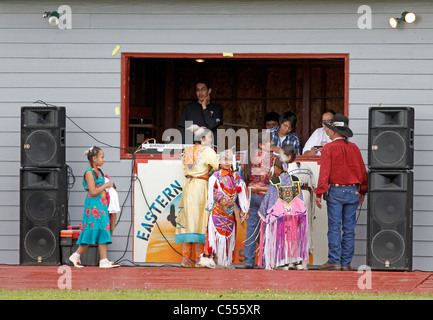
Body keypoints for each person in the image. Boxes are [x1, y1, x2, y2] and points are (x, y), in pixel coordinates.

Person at [314, 114, 368, 271]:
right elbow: (363, 173)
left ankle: (334, 261)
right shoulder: (354, 148)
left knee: (335, 227)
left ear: (334, 131)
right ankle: (345, 263)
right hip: (353, 191)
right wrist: (362, 191)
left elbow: (324, 173)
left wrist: (319, 193)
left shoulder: (329, 148)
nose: (329, 132)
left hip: (336, 191)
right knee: (349, 229)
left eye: (330, 130)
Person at [257, 146, 309, 270]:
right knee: (294, 237)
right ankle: (298, 262)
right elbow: (300, 199)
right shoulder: (295, 180)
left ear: (276, 168)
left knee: (282, 238)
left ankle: (284, 263)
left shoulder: (275, 182)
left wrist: (263, 211)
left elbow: (270, 200)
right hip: (294, 215)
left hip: (280, 217)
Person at [175, 126, 219, 267]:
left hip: (188, 186)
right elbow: (217, 166)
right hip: (200, 186)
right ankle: (200, 258)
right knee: (201, 220)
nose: (211, 140)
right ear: (202, 139)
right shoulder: (208, 151)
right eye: (209, 137)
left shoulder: (187, 151)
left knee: (188, 221)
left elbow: (184, 168)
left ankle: (186, 259)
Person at [69, 146, 120, 268]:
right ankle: (75, 255)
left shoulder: (99, 172)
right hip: (94, 206)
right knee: (92, 230)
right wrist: (106, 185)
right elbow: (93, 191)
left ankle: (103, 260)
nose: (104, 160)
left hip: (101, 205)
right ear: (94, 158)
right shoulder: (89, 172)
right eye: (102, 157)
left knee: (103, 229)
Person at [199, 149, 249, 268]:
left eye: (230, 160)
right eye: (224, 160)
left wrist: (243, 208)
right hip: (218, 211)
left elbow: (242, 192)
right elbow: (212, 193)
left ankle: (222, 260)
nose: (227, 163)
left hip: (229, 213)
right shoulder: (215, 177)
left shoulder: (236, 177)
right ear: (219, 162)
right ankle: (208, 257)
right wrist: (225, 200)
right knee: (212, 236)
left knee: (227, 236)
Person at [241, 131, 274, 269]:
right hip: (265, 195)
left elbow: (242, 175)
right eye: (269, 142)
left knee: (251, 229)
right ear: (261, 144)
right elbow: (273, 178)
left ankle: (248, 260)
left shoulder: (247, 155)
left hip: (250, 195)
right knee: (266, 230)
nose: (272, 144)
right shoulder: (271, 158)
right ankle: (265, 260)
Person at [178, 80, 223, 146]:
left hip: (210, 147)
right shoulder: (189, 108)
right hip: (192, 147)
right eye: (197, 90)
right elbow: (183, 129)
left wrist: (204, 107)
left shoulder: (217, 108)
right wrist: (185, 148)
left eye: (203, 89)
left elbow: (212, 125)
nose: (200, 93)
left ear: (209, 91)